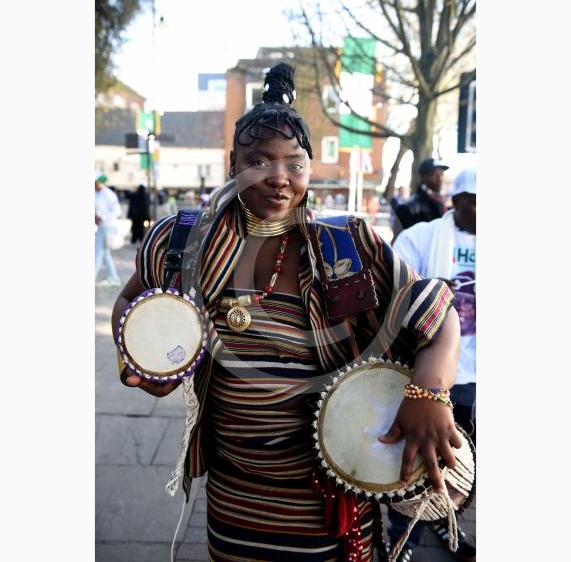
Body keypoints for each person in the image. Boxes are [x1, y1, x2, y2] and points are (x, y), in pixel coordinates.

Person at [111, 63, 463, 561]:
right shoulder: (181, 241)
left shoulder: (349, 247)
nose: (279, 178)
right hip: (237, 500)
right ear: (234, 163)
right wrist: (143, 358)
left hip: (330, 505)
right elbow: (132, 299)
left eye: (294, 163)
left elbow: (438, 313)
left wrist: (429, 393)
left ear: (309, 167)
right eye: (259, 160)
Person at [389, 168, 477, 562]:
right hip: (429, 374)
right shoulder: (420, 238)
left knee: (461, 463)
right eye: (476, 200)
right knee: (408, 463)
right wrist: (425, 291)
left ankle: (447, 517)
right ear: (456, 200)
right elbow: (386, 295)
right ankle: (401, 536)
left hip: (479, 375)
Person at [391, 157, 449, 243]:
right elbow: (400, 243)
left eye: (441, 174)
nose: (439, 178)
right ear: (424, 177)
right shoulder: (407, 208)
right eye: (435, 175)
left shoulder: (441, 203)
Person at [95, 171, 122, 287]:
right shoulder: (96, 194)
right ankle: (114, 278)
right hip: (101, 227)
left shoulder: (108, 194)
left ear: (99, 182)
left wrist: (103, 217)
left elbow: (117, 211)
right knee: (105, 254)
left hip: (108, 227)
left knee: (98, 253)